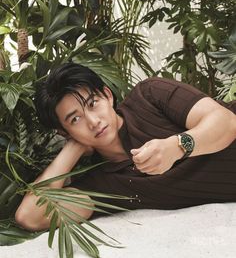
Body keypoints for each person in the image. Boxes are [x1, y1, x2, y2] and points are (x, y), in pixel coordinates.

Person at [15, 62, 236, 231]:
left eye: (93, 104)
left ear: (107, 95)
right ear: (64, 133)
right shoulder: (101, 185)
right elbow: (30, 216)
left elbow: (226, 122)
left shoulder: (149, 95)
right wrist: (72, 149)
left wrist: (177, 146)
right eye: (75, 119)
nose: (93, 121)